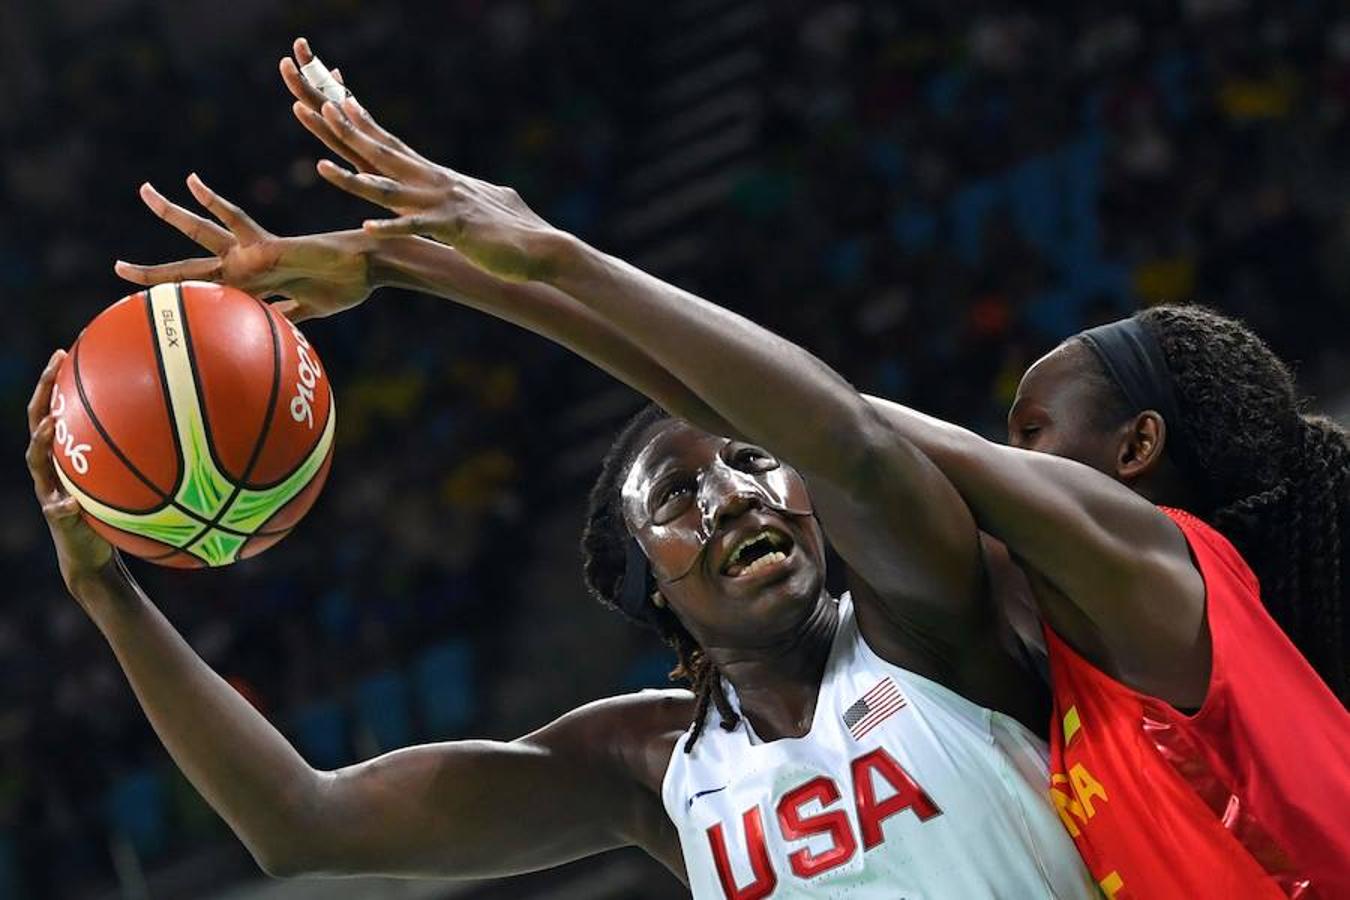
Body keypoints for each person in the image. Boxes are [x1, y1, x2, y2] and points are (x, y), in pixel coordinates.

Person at [176, 38, 1346, 897]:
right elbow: (303, 822)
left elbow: (826, 434)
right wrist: (442, 271)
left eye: (1026, 439)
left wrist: (522, 258)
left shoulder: (1134, 583)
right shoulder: (1098, 675)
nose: (996, 465)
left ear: (1133, 456)